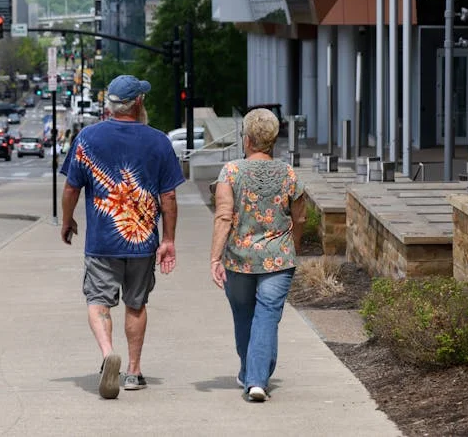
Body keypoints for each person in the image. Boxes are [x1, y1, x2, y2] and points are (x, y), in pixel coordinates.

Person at [60, 75, 185, 400]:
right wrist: (168, 239)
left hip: (101, 242)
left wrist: (67, 220)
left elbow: (72, 187)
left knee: (98, 301)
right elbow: (168, 197)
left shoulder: (87, 138)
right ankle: (133, 371)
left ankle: (106, 355)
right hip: (143, 242)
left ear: (110, 105)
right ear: (138, 103)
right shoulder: (159, 141)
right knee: (136, 304)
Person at [209, 108, 306, 402]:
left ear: (248, 139)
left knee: (244, 316)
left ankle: (254, 377)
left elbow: (224, 216)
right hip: (278, 258)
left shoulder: (231, 172)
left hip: (239, 258)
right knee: (267, 315)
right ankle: (255, 375)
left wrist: (215, 257)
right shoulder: (288, 173)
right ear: (273, 140)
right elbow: (300, 218)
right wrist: (294, 248)